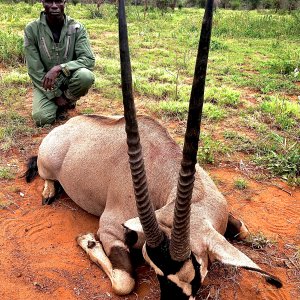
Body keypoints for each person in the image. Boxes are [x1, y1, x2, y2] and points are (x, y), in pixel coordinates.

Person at [24, 0, 95, 126]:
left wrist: (60, 67)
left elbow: (88, 59)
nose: (54, 6)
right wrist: (55, 95)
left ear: (64, 2)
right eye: (49, 2)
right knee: (42, 119)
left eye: (58, 1)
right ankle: (58, 102)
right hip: (46, 82)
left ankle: (67, 101)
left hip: (69, 77)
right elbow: (34, 69)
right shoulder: (32, 29)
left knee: (86, 76)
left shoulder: (77, 27)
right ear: (42, 2)